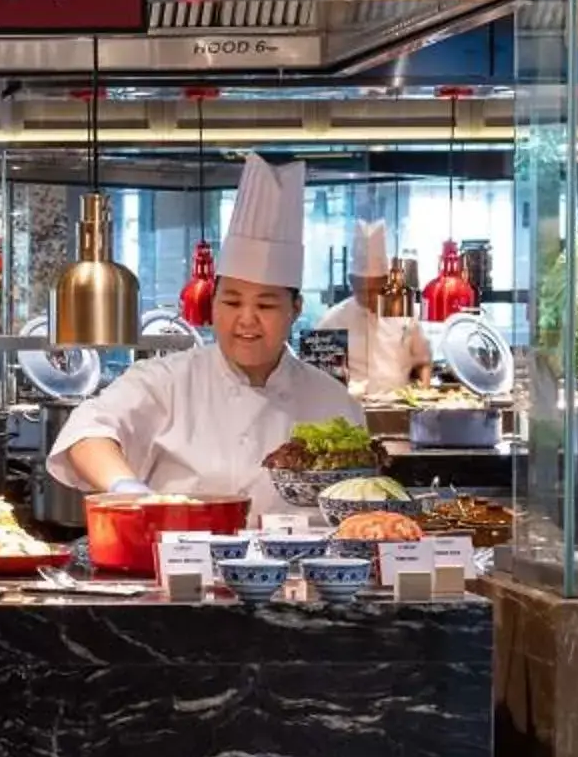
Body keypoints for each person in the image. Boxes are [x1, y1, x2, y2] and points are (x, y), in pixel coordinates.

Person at [48, 153, 364, 516]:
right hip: (181, 566)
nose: (246, 320)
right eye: (231, 302)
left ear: (295, 309)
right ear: (213, 305)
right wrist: (127, 489)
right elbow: (87, 433)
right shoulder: (167, 381)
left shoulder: (334, 401)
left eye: (265, 306)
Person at [312, 218, 434, 397]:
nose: (369, 297)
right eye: (362, 290)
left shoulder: (406, 314)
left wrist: (423, 394)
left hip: (399, 410)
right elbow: (317, 381)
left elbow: (423, 362)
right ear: (351, 282)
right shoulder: (332, 321)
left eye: (375, 290)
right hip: (349, 414)